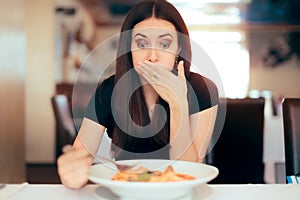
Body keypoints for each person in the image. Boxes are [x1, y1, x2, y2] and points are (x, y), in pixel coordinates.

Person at [57, 0, 219, 189]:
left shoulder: (202, 89)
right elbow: (79, 156)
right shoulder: (109, 90)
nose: (152, 56)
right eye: (141, 43)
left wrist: (177, 103)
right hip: (126, 190)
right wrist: (71, 172)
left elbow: (189, 171)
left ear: (179, 49)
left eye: (165, 44)